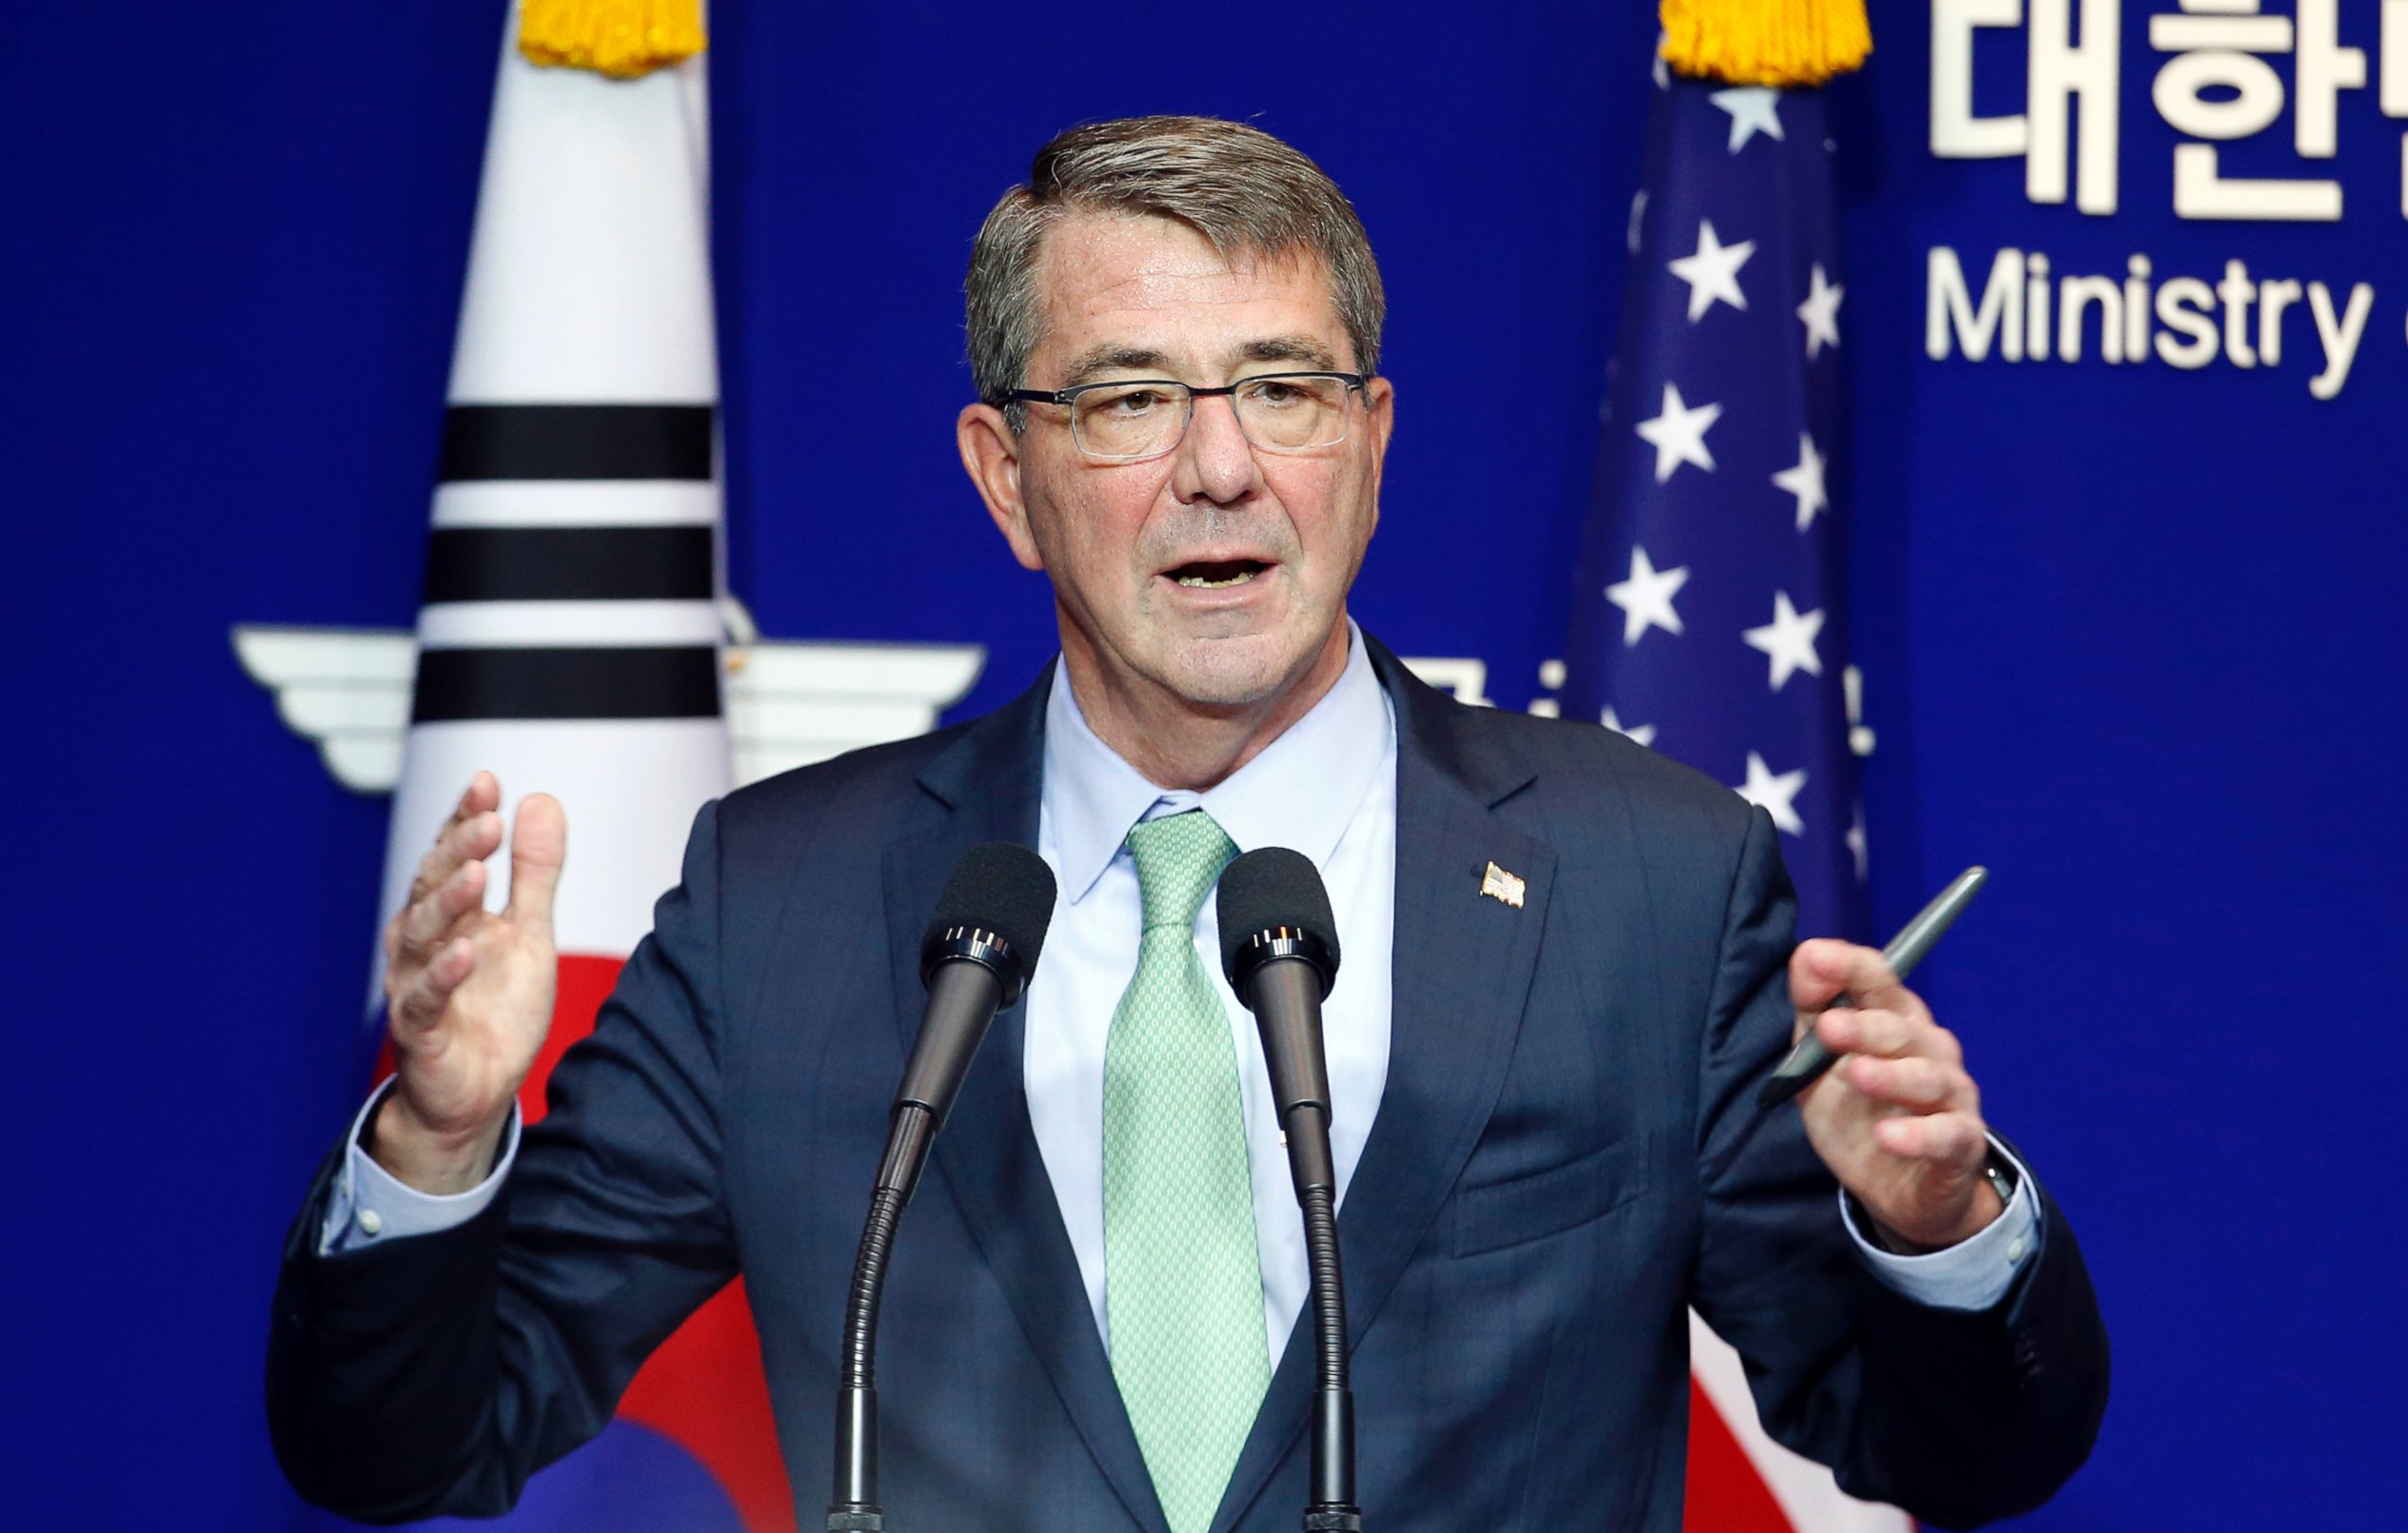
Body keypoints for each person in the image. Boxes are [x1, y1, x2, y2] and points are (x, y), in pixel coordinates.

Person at [268, 116, 2105, 1532]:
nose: (1220, 467)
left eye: (1284, 390)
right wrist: (436, 1140)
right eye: (1134, 398)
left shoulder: (1651, 883)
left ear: (1371, 444)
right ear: (1008, 476)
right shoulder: (792, 904)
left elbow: (1954, 1447)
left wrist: (1939, 1226)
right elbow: (407, 1442)